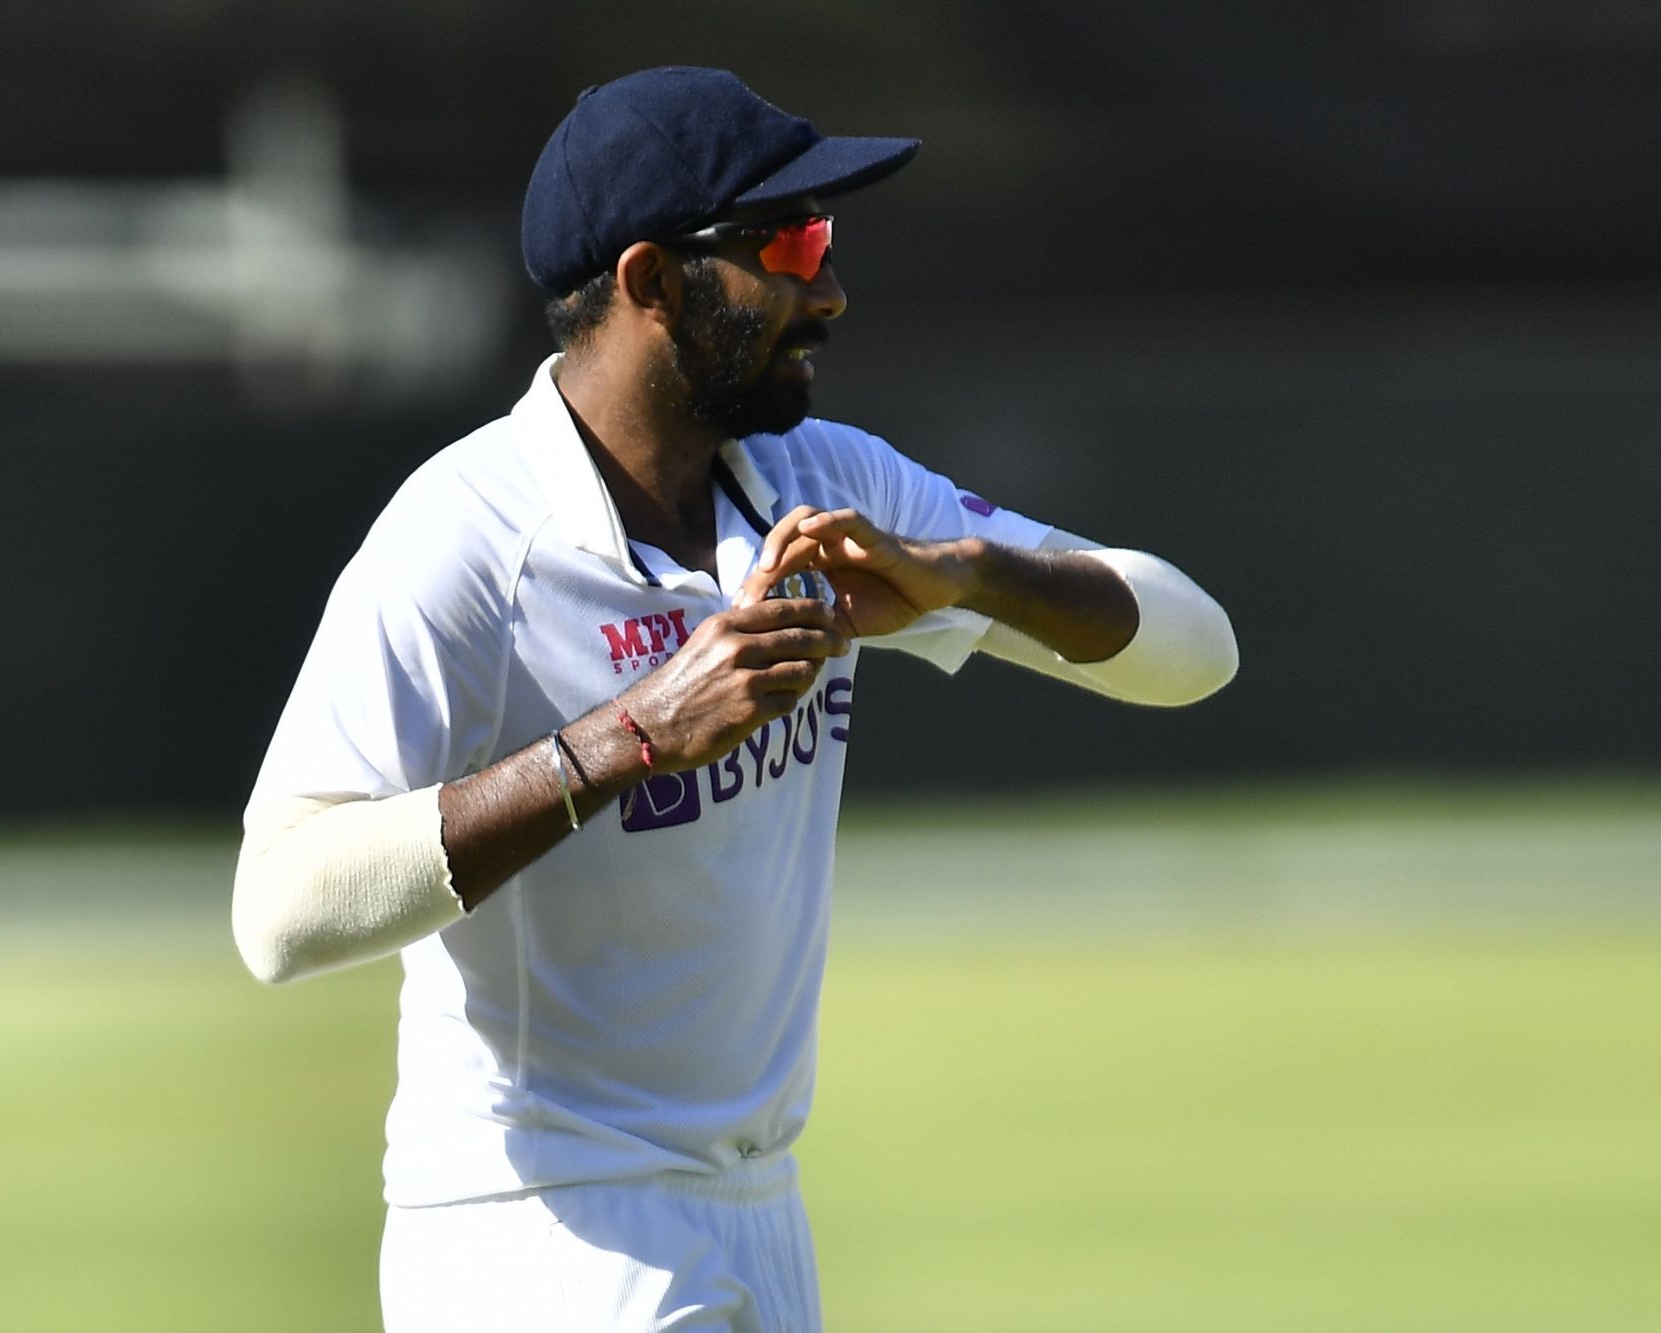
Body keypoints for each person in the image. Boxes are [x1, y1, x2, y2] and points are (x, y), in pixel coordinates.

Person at [232, 65, 1237, 1333]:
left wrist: (968, 576)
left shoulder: (814, 478)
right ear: (652, 282)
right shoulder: (469, 537)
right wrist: (634, 735)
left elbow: (1196, 647)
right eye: (789, 243)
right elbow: (278, 908)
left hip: (760, 1210)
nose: (828, 287)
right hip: (545, 1229)